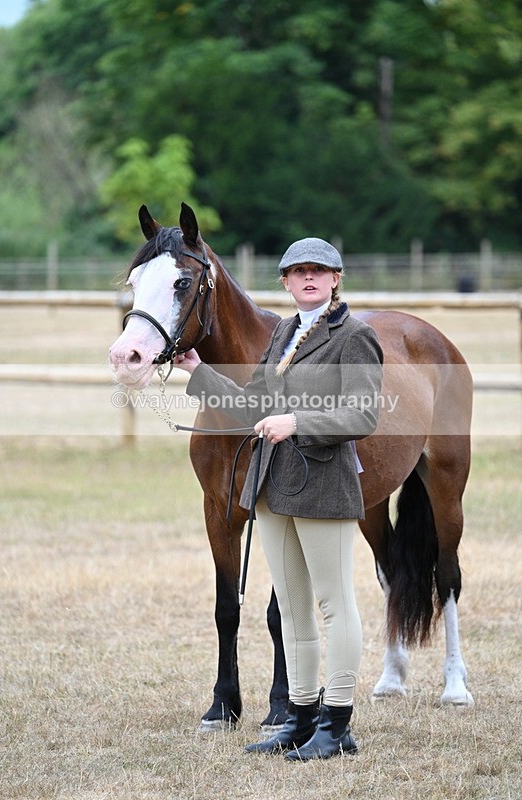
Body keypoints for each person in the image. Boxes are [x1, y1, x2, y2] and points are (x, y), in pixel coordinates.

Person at [173, 238, 383, 761]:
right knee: (292, 608)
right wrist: (197, 371)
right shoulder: (284, 334)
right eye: (298, 271)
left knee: (334, 604)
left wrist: (297, 421)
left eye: (319, 271)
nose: (309, 278)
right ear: (285, 282)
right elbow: (252, 406)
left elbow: (363, 415)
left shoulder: (354, 336)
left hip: (325, 485)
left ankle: (337, 725)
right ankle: (300, 718)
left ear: (336, 279)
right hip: (272, 488)